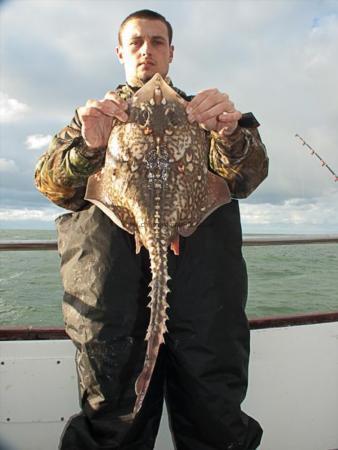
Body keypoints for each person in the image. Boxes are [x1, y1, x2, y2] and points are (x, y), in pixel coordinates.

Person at [35, 9, 268, 450]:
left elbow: (247, 178)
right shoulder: (95, 118)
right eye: (137, 42)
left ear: (171, 52)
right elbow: (52, 185)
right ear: (120, 52)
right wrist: (89, 146)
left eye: (158, 42)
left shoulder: (204, 115)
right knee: (112, 423)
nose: (147, 51)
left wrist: (230, 135)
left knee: (215, 419)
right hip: (111, 303)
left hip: (205, 304)